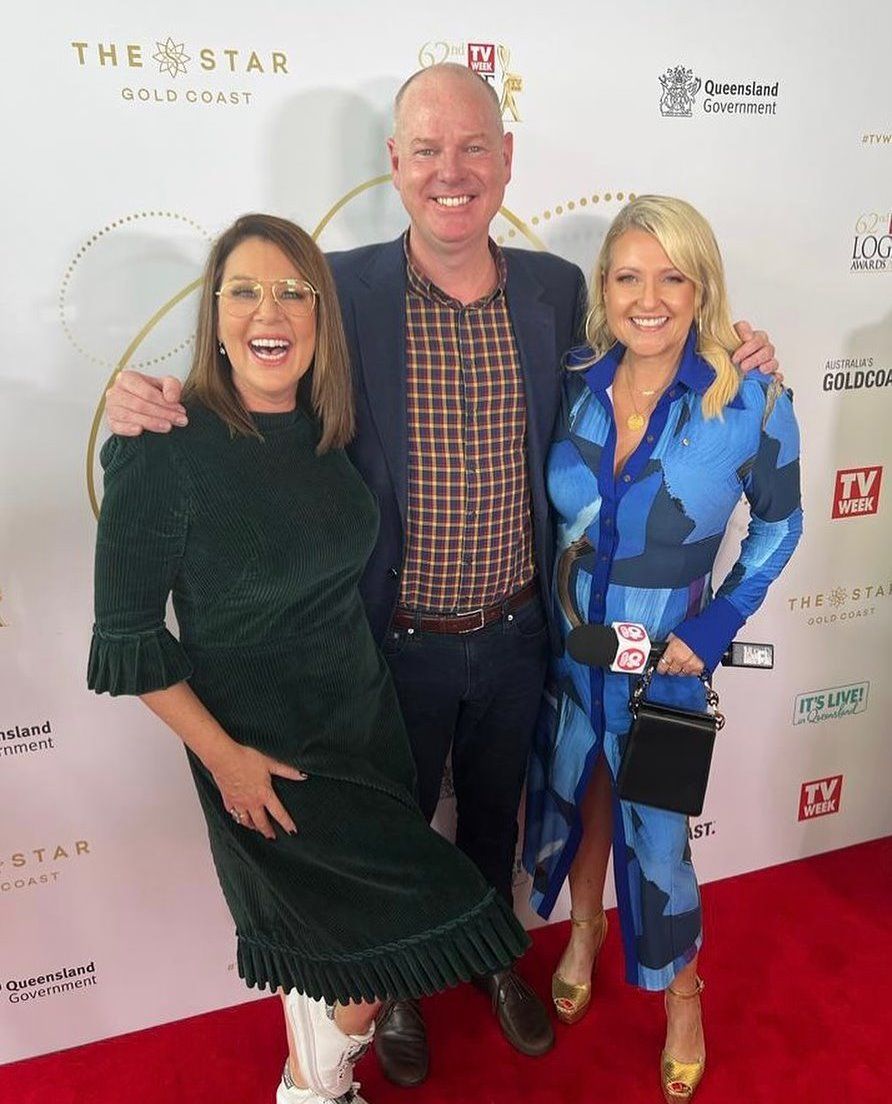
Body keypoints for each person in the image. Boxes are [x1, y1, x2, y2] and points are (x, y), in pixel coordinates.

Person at [103, 64, 780, 1087]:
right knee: (398, 831)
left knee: (499, 816)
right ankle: (401, 989)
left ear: (506, 161)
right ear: (395, 163)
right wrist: (147, 399)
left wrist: (739, 348)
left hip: (523, 635)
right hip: (388, 644)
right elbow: (256, 373)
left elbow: (650, 360)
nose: (449, 171)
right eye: (426, 149)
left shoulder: (557, 291)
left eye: (472, 148)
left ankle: (492, 960)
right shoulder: (336, 289)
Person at [89, 213, 530, 1104]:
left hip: (366, 730)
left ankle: (316, 1085)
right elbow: (127, 639)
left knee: (335, 946)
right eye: (246, 290)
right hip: (264, 755)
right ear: (215, 317)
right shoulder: (162, 450)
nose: (271, 310)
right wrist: (226, 761)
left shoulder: (328, 430)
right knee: (380, 942)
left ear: (321, 317)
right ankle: (311, 1090)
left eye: (294, 291)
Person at [523, 195, 802, 1102]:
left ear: (701, 287)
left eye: (672, 277)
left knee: (660, 844)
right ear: (604, 288)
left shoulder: (752, 402)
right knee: (579, 802)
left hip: (663, 673)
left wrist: (713, 629)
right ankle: (585, 931)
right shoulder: (571, 380)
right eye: (628, 277)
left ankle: (685, 997)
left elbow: (781, 525)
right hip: (569, 662)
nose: (649, 299)